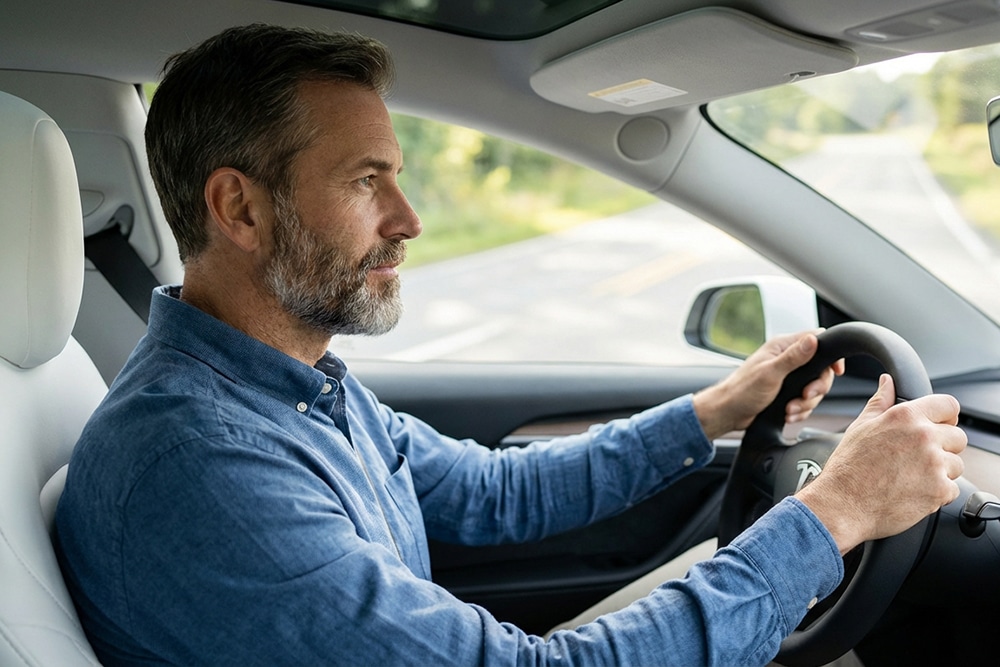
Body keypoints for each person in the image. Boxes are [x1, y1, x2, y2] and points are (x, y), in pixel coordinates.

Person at [54, 24, 967, 667]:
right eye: (366, 180)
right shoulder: (201, 465)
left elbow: (493, 493)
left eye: (398, 179)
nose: (408, 220)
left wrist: (711, 413)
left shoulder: (287, 387)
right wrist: (834, 513)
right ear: (239, 208)